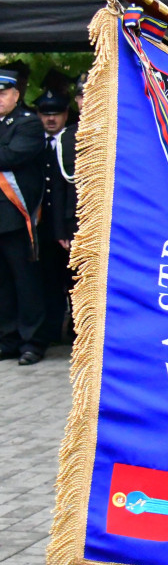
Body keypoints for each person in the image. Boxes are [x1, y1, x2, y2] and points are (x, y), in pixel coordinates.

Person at [0, 68, 47, 365]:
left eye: (3, 93)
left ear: (16, 95)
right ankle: (8, 339)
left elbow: (11, 157)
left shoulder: (27, 124)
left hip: (16, 218)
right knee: (2, 283)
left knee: (25, 282)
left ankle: (33, 341)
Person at [35, 89, 78, 346]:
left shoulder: (71, 138)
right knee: (48, 279)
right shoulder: (34, 139)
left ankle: (76, 325)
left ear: (65, 114)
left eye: (57, 113)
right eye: (45, 114)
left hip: (68, 222)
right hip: (41, 223)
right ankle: (50, 329)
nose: (51, 119)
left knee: (73, 277)